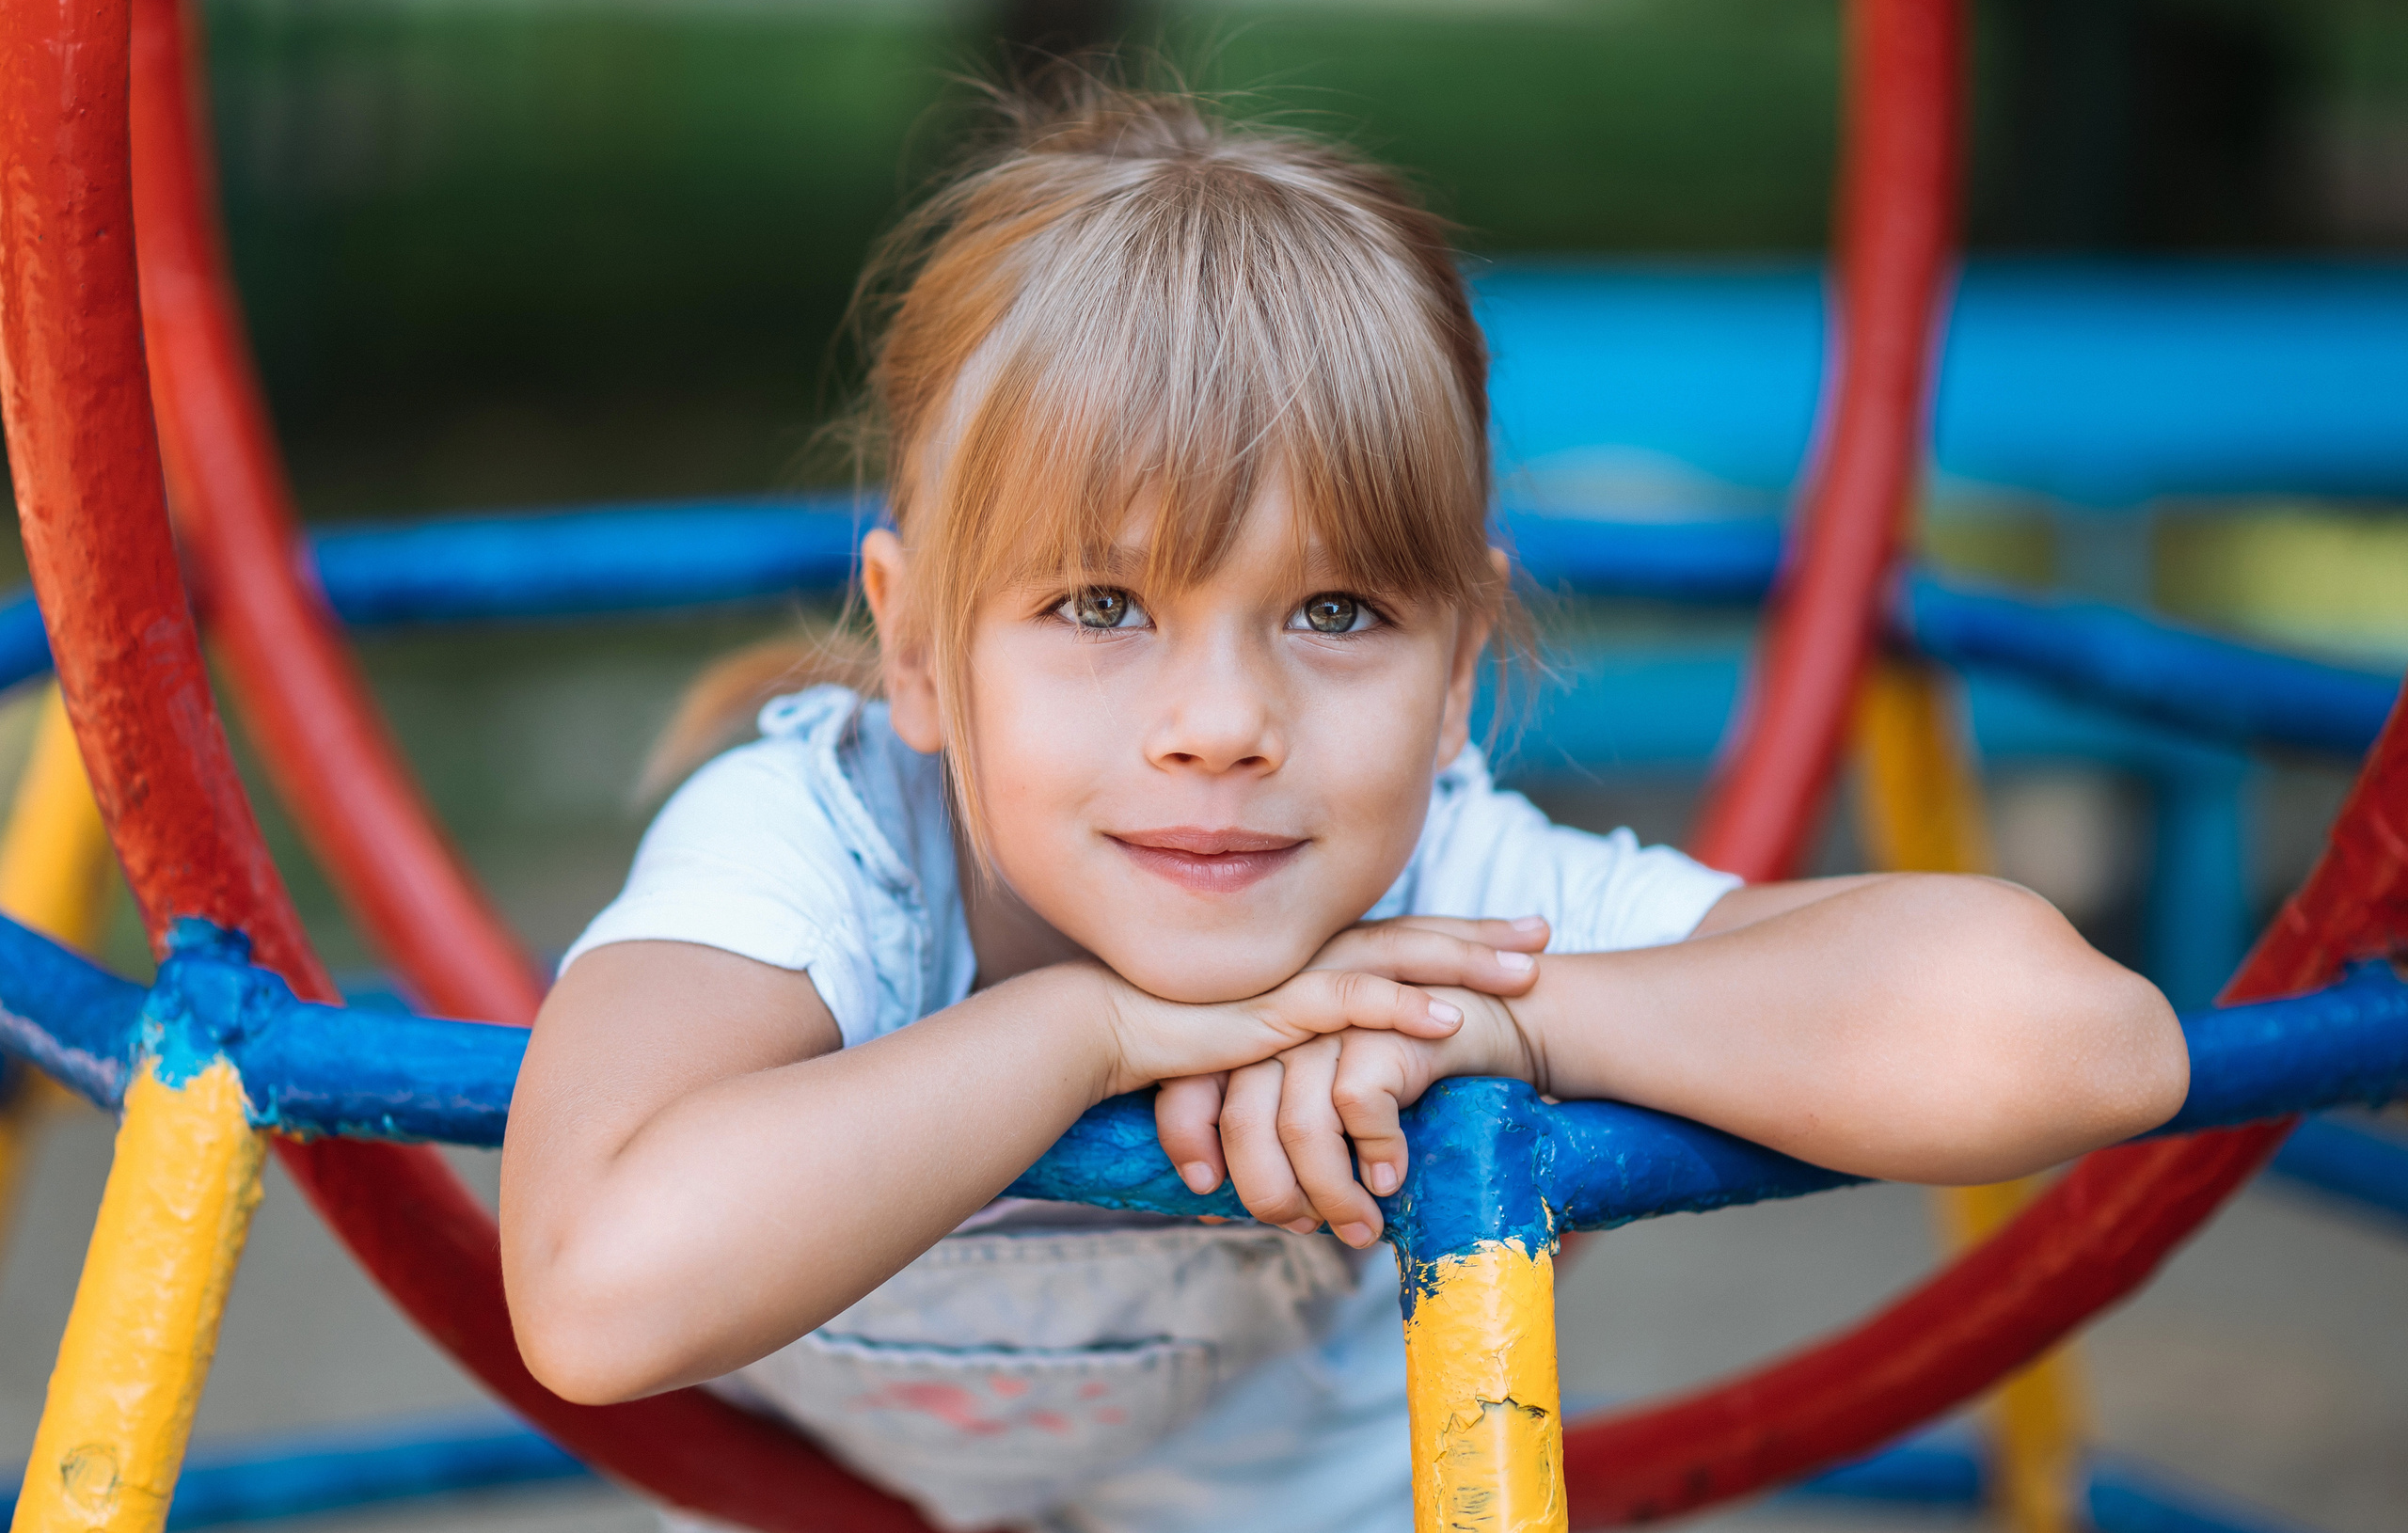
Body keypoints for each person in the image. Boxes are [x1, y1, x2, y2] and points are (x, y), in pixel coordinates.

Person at [499, 76, 2189, 1533]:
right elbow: (593, 1283)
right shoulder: (826, 842)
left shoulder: (1446, 888)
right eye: (1101, 608)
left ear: (1457, 675)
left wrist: (1506, 1024)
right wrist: (1094, 1031)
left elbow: (2087, 1042)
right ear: (921, 648)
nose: (1226, 723)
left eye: (1336, 613)